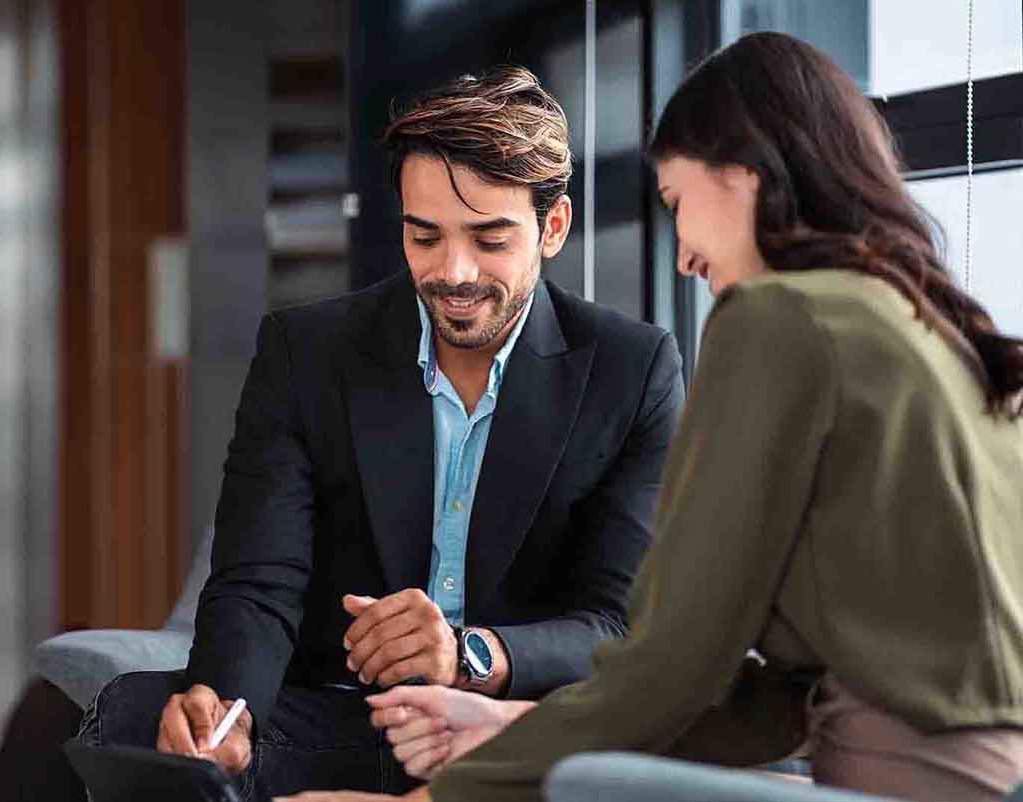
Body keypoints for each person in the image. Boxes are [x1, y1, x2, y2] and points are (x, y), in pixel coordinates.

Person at [279, 32, 1023, 802]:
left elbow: (670, 665)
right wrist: (513, 731)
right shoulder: (940, 330)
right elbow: (783, 699)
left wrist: (435, 800)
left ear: (743, 175)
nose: (681, 255)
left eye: (677, 202)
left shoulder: (778, 318)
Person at [61, 66, 685, 802]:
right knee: (132, 716)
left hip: (511, 731)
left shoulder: (630, 368)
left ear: (552, 228)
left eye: (489, 239)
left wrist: (470, 655)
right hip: (343, 721)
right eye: (425, 237)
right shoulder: (307, 351)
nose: (453, 272)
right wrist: (225, 710)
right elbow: (260, 580)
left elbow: (618, 623)